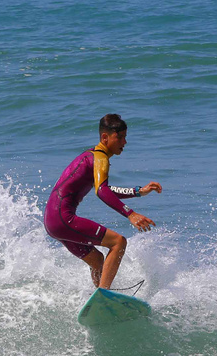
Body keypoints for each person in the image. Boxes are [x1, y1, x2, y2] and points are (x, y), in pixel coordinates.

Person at [44, 113, 162, 290]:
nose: (124, 142)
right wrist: (131, 214)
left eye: (125, 137)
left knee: (98, 261)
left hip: (52, 221)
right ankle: (104, 294)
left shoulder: (90, 156)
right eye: (119, 137)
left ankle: (99, 299)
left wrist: (138, 191)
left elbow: (105, 189)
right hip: (63, 219)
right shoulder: (100, 158)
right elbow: (102, 191)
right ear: (104, 137)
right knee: (118, 242)